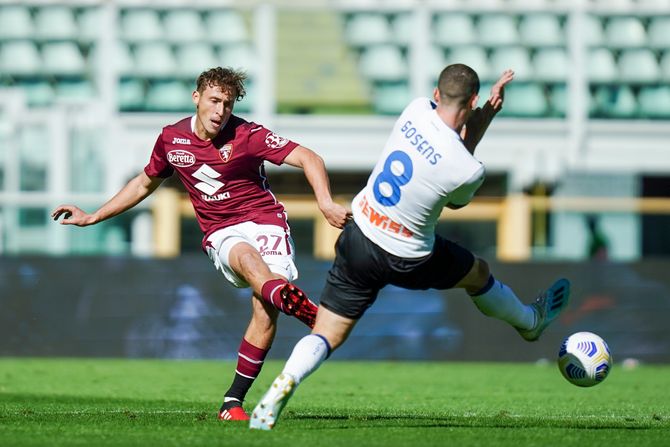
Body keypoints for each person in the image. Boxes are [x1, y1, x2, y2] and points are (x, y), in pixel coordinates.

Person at [248, 65, 571, 430]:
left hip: (359, 234)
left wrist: (477, 119)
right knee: (477, 273)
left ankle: (284, 383)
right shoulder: (468, 169)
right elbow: (455, 194)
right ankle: (530, 322)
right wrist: (483, 123)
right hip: (408, 256)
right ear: (475, 100)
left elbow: (441, 145)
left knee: (325, 333)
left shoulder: (415, 109)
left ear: (436, 94)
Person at [51, 67, 350, 421]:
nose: (220, 111)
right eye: (213, 100)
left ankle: (232, 401)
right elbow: (143, 184)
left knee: (264, 310)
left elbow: (308, 157)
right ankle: (300, 307)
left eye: (227, 103)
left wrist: (326, 203)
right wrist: (93, 216)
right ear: (197, 98)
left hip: (266, 221)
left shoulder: (249, 135)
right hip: (222, 229)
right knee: (248, 260)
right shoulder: (171, 140)